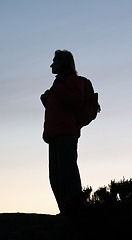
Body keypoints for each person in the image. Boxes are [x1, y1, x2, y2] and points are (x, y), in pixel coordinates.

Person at [40, 50, 84, 216]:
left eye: (54, 61)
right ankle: (66, 211)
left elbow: (77, 101)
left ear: (63, 63)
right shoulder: (58, 84)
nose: (51, 65)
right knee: (56, 176)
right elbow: (58, 109)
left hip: (66, 134)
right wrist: (47, 98)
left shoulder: (73, 80)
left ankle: (75, 212)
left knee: (68, 173)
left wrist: (56, 91)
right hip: (54, 135)